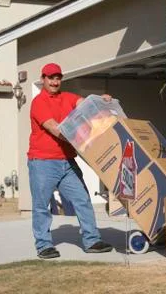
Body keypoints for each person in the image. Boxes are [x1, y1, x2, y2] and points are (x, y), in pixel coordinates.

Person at [27, 63, 113, 259]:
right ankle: (44, 245)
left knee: (82, 199)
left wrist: (102, 101)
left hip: (67, 161)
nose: (54, 81)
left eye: (57, 77)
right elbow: (55, 129)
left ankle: (92, 240)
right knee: (41, 205)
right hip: (42, 161)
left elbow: (86, 104)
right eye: (50, 78)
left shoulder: (67, 98)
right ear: (43, 79)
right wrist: (85, 138)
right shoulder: (38, 102)